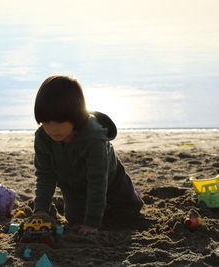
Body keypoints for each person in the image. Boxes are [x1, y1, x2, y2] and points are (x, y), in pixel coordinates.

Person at [32, 75, 143, 235]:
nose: (52, 129)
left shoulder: (93, 139)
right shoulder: (43, 137)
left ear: (75, 116)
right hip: (73, 186)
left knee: (127, 214)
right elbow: (45, 175)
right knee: (75, 220)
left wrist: (92, 223)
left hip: (111, 183)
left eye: (60, 122)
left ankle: (131, 197)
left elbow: (97, 181)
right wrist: (41, 210)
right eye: (46, 122)